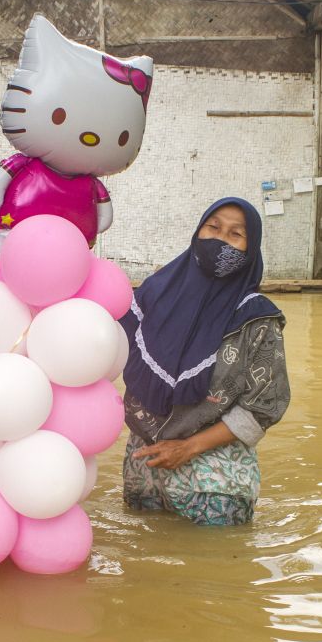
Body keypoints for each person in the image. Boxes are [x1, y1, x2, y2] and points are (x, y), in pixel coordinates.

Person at [119, 198, 289, 526]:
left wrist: (188, 448)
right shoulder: (153, 293)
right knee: (142, 562)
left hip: (215, 483)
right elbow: (104, 350)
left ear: (250, 249)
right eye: (213, 227)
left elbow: (264, 406)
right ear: (198, 231)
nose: (220, 239)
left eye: (235, 234)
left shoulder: (256, 318)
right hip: (144, 471)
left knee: (213, 568)